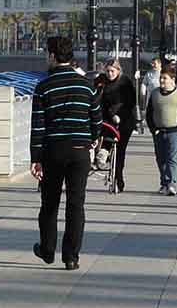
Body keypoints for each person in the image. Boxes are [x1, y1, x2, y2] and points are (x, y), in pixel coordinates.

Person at [31, 37, 101, 270]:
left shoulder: (43, 87)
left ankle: (48, 249)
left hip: (53, 151)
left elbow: (38, 127)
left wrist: (36, 158)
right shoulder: (87, 85)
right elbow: (97, 120)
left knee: (49, 202)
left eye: (46, 53)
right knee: (76, 204)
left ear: (52, 56)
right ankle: (71, 256)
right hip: (80, 152)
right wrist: (90, 141)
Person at [145, 64, 177, 196]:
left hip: (174, 131)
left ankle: (171, 183)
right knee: (161, 158)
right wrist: (152, 129)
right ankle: (164, 183)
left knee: (172, 158)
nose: (162, 81)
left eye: (165, 78)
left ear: (172, 79)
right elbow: (149, 113)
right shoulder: (155, 94)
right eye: (161, 78)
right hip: (158, 131)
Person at [100, 58, 137, 192]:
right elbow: (97, 97)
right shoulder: (102, 81)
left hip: (124, 120)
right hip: (107, 118)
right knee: (104, 137)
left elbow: (130, 103)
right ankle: (104, 153)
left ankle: (119, 179)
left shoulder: (125, 83)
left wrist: (119, 115)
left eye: (112, 71)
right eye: (108, 71)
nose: (110, 74)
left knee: (120, 150)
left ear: (118, 71)